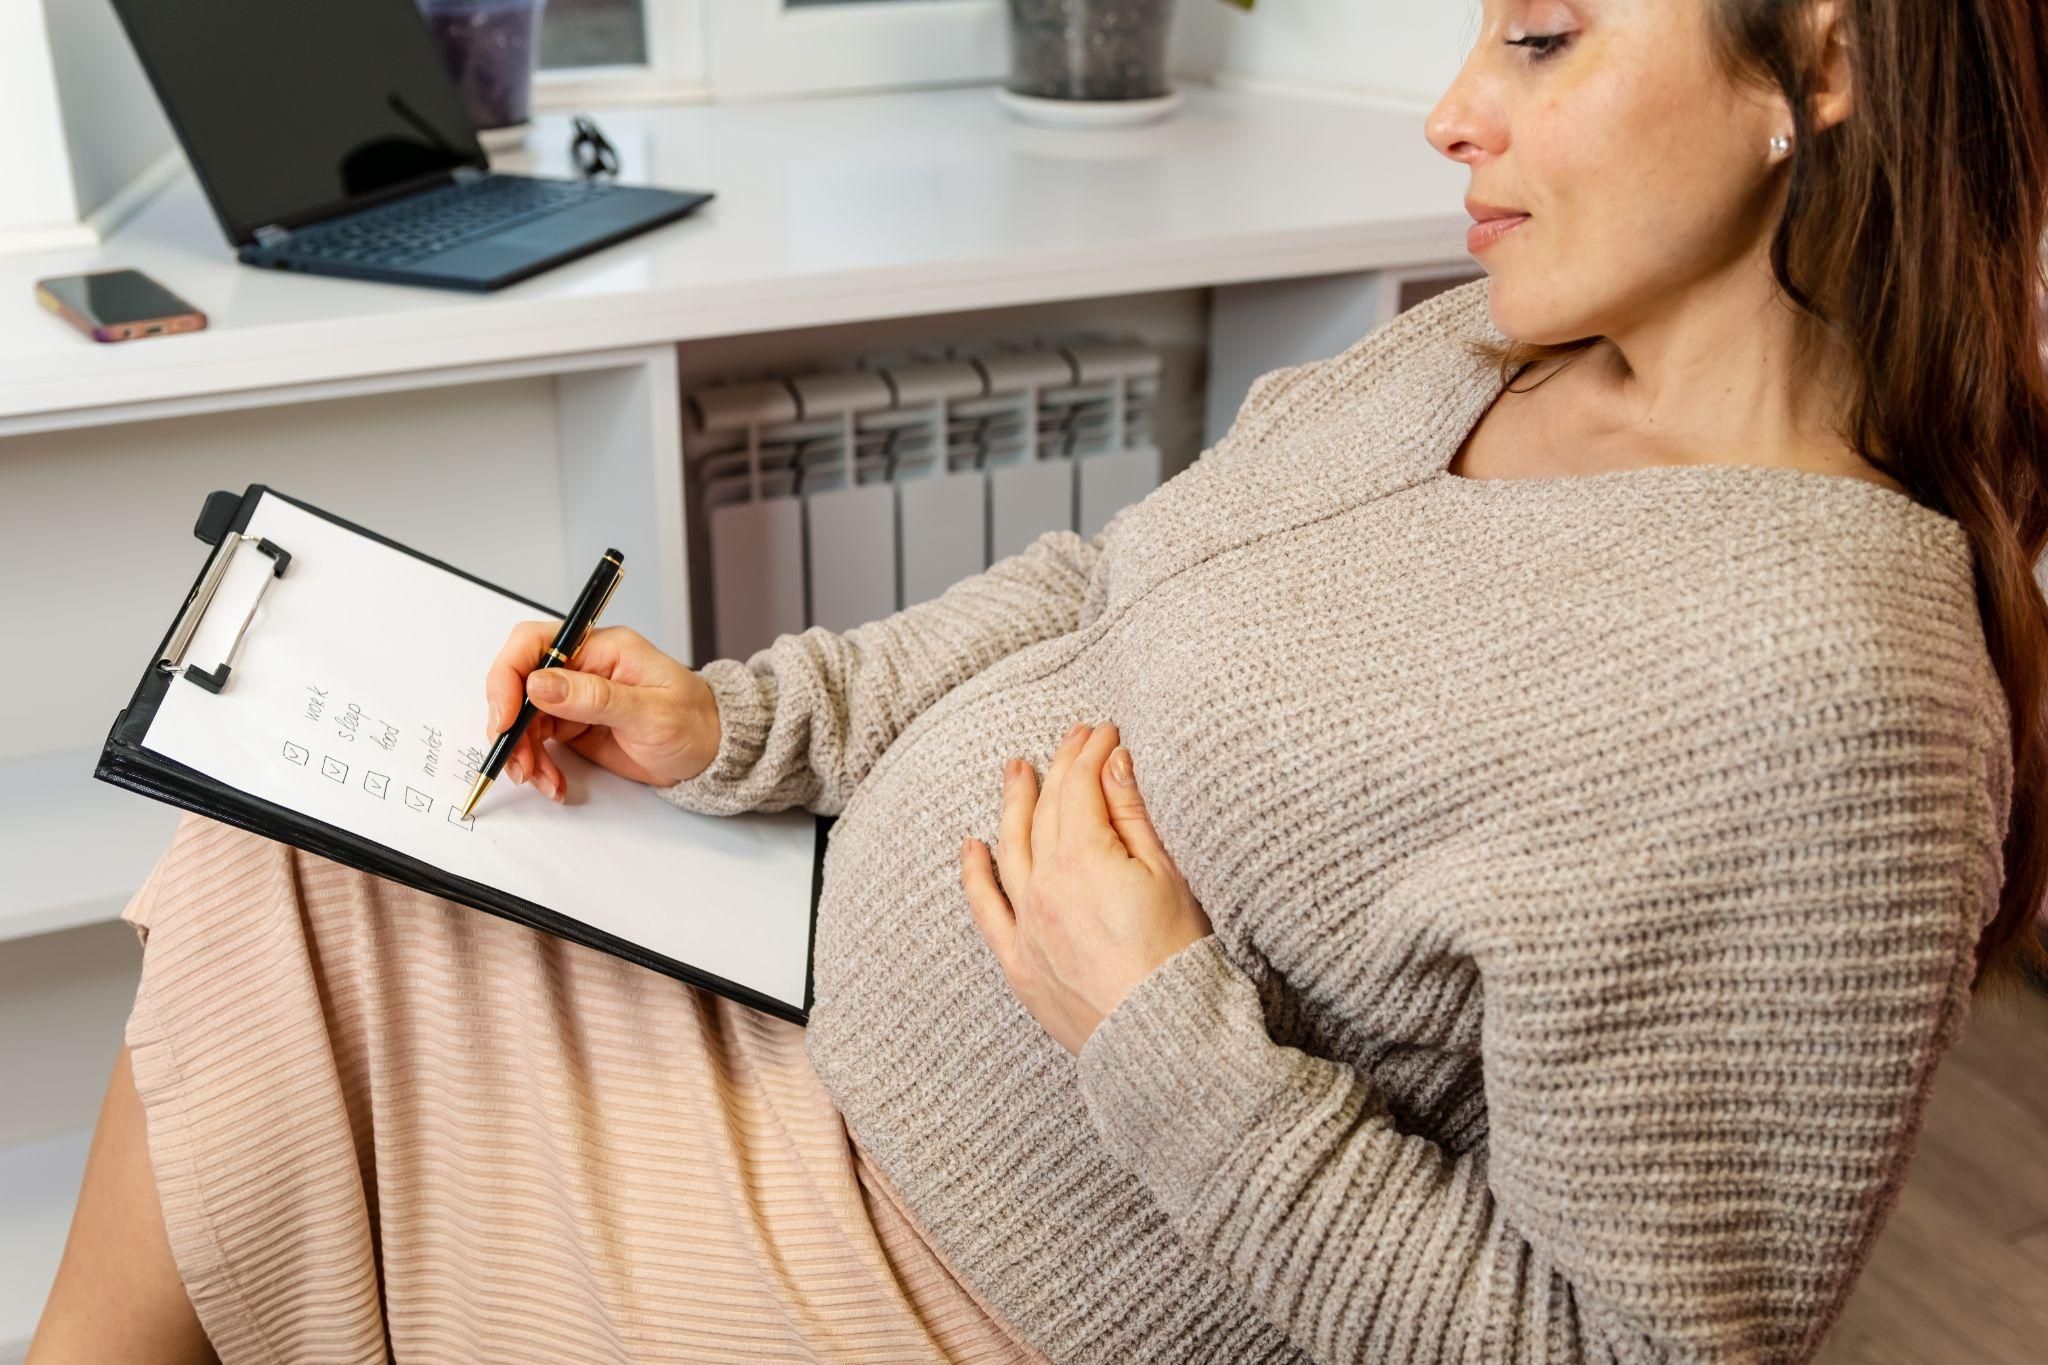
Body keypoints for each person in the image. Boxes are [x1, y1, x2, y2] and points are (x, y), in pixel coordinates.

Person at [31, 1, 2048, 1361]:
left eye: (1544, 31)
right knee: (301, 854)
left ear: (1830, 60)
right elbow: (1111, 578)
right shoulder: (1473, 356)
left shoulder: (1824, 686)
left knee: (289, 924)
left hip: (924, 1290)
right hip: (807, 1052)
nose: (1454, 101)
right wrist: (741, 722)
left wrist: (1158, 1027)